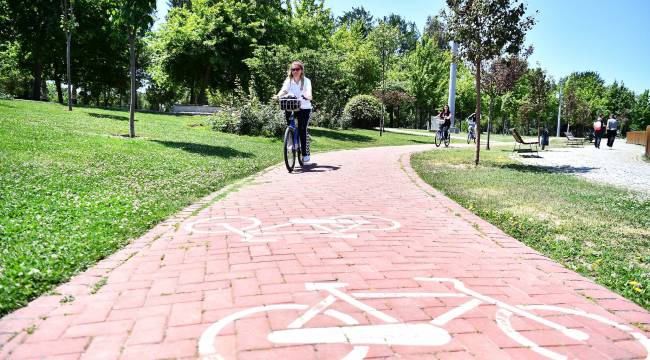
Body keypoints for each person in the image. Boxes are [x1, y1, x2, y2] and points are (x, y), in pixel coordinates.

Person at [275, 60, 313, 162]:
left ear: (301, 70)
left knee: (302, 128)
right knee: (290, 127)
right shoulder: (289, 81)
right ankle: (292, 143)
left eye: (297, 69)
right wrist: (278, 95)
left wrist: (307, 96)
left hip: (304, 107)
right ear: (290, 71)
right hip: (291, 106)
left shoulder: (306, 81)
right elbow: (284, 90)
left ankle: (305, 154)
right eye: (293, 69)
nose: (295, 71)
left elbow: (309, 93)